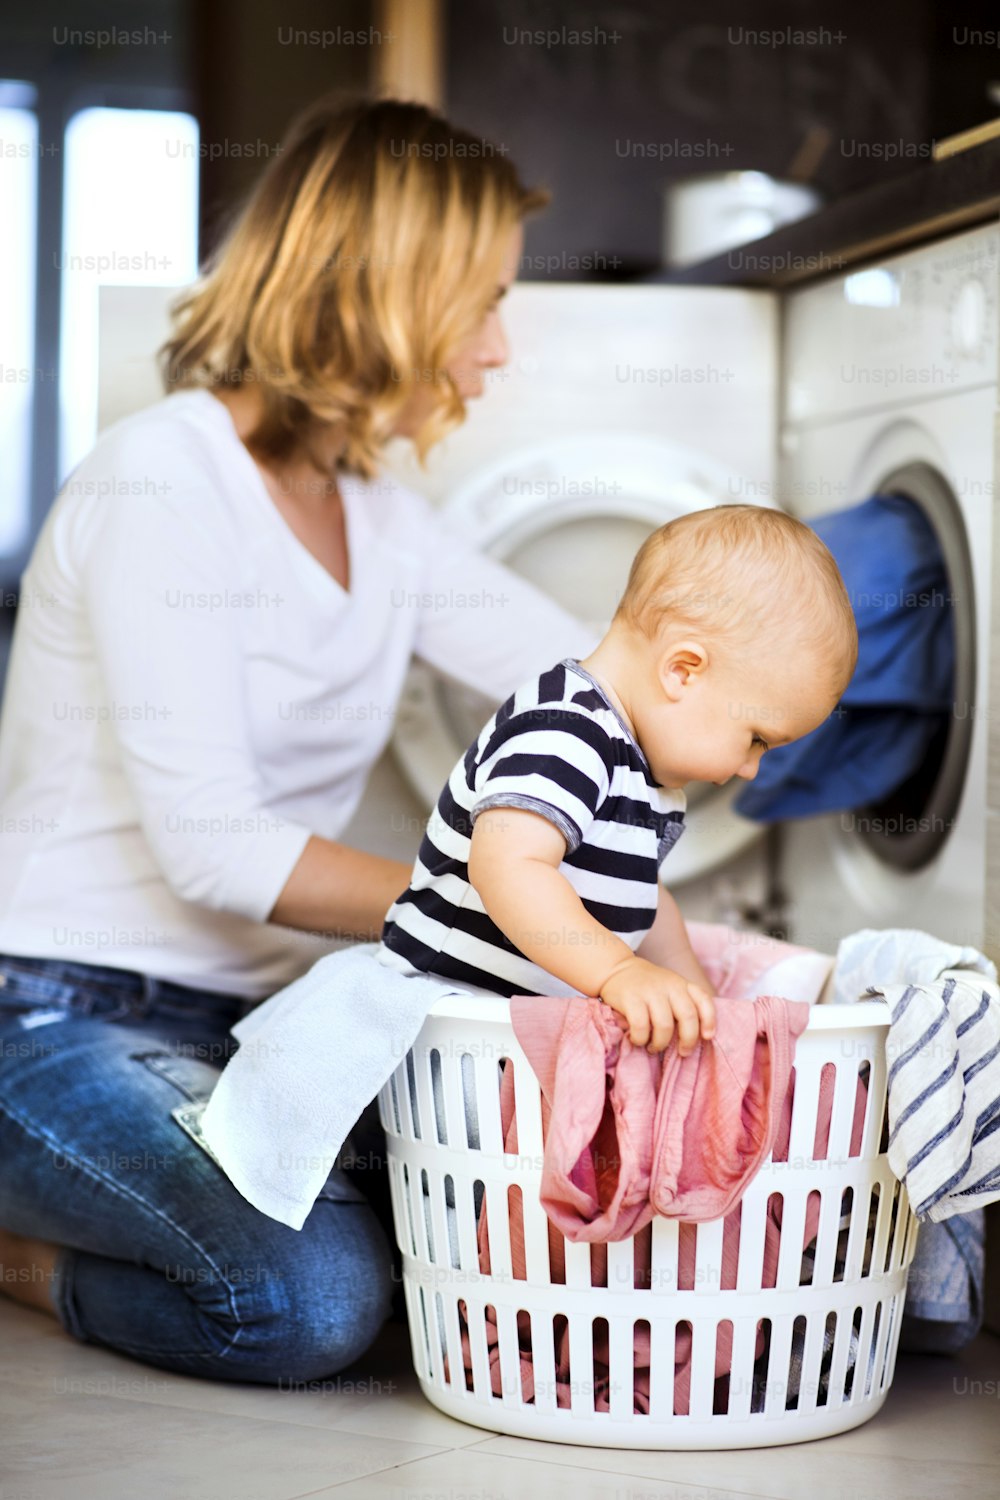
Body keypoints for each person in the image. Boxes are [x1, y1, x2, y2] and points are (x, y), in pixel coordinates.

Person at [0, 96, 599, 1383]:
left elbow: (580, 678)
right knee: (307, 1299)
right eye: (481, 301)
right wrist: (509, 902)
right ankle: (20, 1254)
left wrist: (738, 668)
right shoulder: (164, 481)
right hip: (50, 1018)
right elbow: (216, 851)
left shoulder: (376, 512)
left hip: (247, 1022)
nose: (497, 351)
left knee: (504, 1206)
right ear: (388, 290)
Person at [378, 503, 859, 1051]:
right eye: (755, 739)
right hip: (443, 1024)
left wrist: (701, 1007)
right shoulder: (565, 728)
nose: (750, 768)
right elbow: (508, 866)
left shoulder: (648, 777)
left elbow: (641, 904)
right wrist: (616, 972)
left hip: (513, 1044)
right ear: (682, 671)